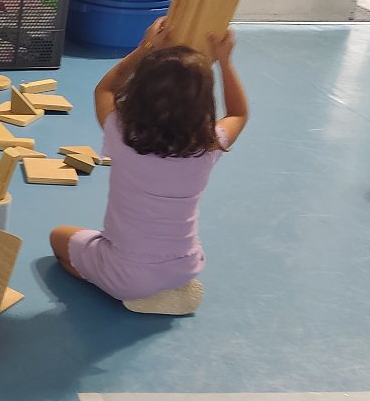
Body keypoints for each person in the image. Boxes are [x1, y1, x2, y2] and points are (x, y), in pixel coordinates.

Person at [49, 19, 248, 315]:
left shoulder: (121, 132)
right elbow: (238, 114)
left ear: (140, 93)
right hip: (186, 265)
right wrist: (225, 62)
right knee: (110, 252)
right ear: (203, 103)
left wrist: (147, 47)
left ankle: (136, 295)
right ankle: (166, 289)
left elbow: (104, 89)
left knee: (59, 238)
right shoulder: (209, 144)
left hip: (128, 277)